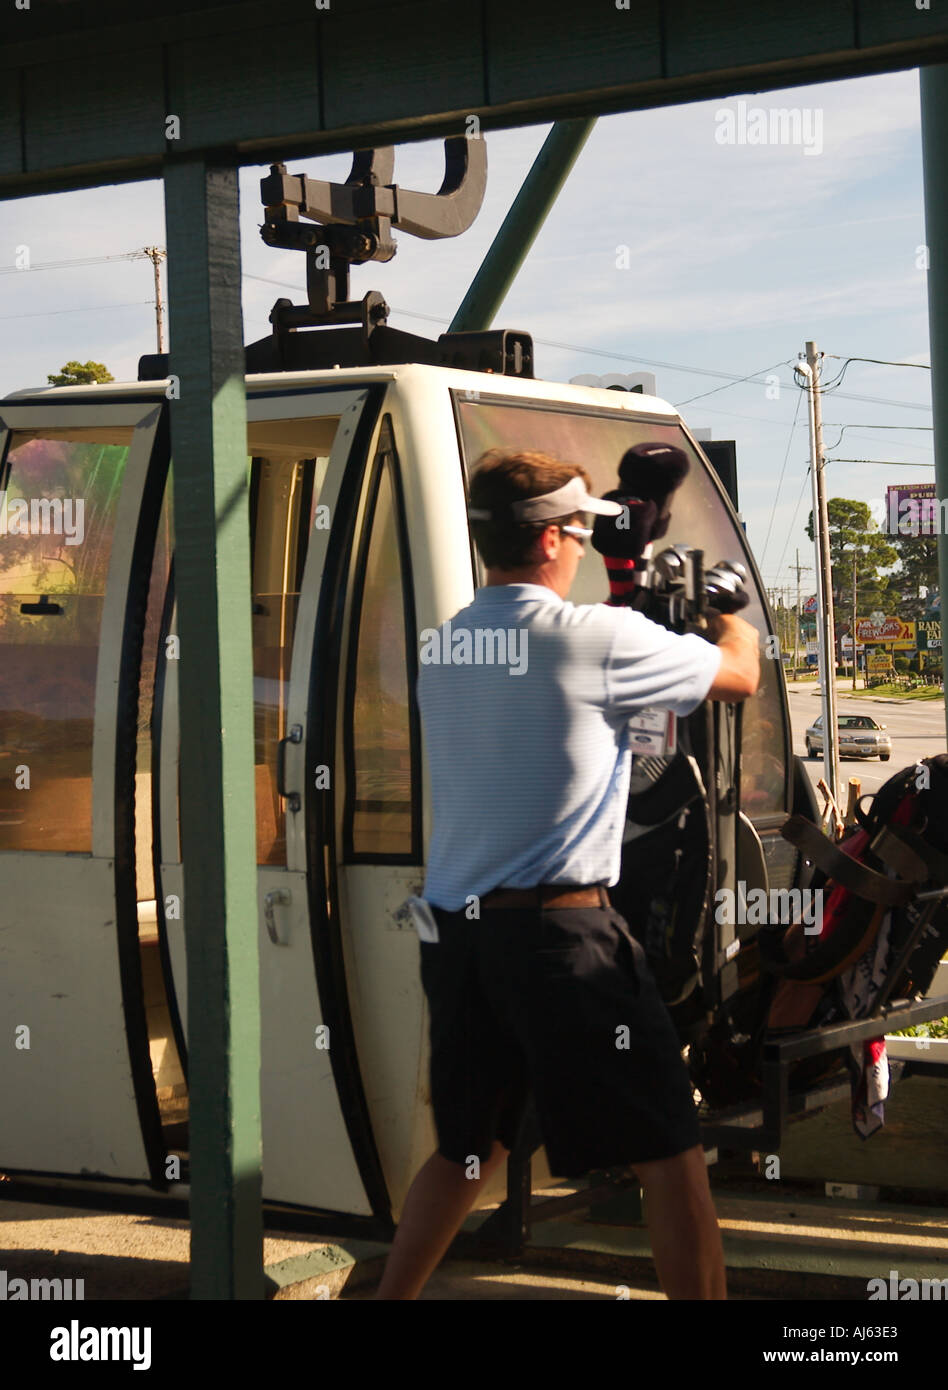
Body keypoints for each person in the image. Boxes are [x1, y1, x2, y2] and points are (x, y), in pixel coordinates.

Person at [374, 449, 760, 1300]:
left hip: (461, 936)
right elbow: (740, 678)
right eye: (582, 531)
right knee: (671, 1153)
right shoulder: (599, 639)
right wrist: (730, 611)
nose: (586, 547)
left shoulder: (445, 650)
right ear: (551, 539)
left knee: (469, 1147)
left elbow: (577, 722)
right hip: (563, 941)